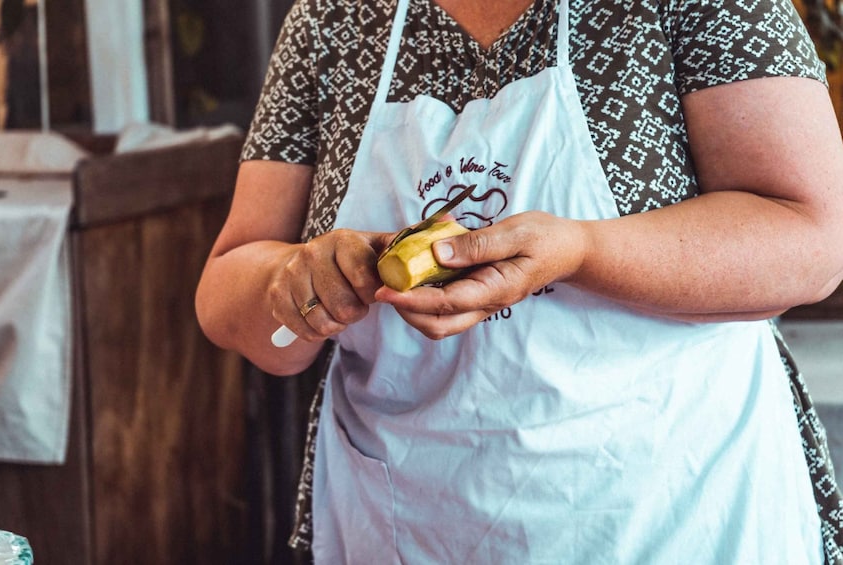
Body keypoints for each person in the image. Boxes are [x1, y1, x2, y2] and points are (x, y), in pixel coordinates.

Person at [195, 0, 843, 562]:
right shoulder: (330, 21)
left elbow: (813, 234)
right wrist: (293, 281)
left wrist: (581, 250)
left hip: (671, 508)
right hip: (412, 524)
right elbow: (227, 287)